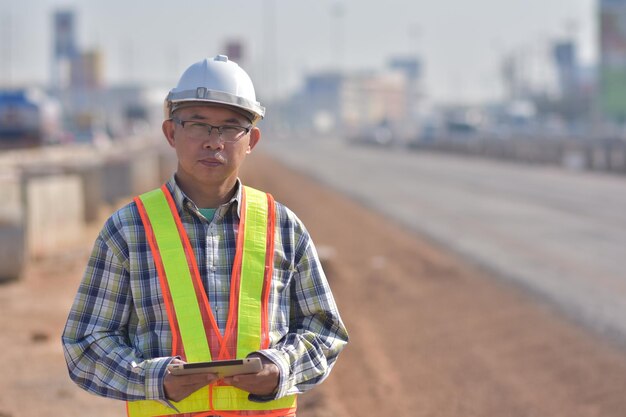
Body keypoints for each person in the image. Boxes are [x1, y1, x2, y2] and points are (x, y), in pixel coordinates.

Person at [62, 55, 349, 417]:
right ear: (171, 133)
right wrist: (155, 379)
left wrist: (280, 368)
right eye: (198, 125)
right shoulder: (129, 229)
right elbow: (85, 345)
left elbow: (324, 331)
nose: (214, 142)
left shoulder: (283, 227)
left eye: (230, 128)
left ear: (252, 141)